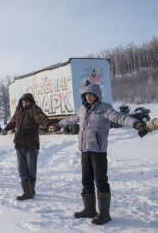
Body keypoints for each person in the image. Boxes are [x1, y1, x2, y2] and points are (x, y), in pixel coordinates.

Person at [51, 84, 148, 225]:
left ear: (97, 95)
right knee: (86, 180)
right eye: (85, 95)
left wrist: (136, 124)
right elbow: (72, 119)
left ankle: (104, 214)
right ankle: (89, 209)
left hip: (98, 152)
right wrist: (59, 124)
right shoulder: (83, 109)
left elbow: (120, 117)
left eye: (90, 95)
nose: (87, 97)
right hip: (85, 150)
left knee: (101, 181)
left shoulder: (105, 108)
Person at [1, 93, 55, 200]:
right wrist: (6, 129)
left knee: (31, 169)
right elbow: (12, 122)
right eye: (23, 102)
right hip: (19, 143)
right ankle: (27, 191)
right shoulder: (19, 111)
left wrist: (49, 125)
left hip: (31, 144)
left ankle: (31, 190)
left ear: (31, 102)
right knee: (21, 168)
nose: (24, 104)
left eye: (26, 102)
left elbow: (41, 118)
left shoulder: (34, 110)